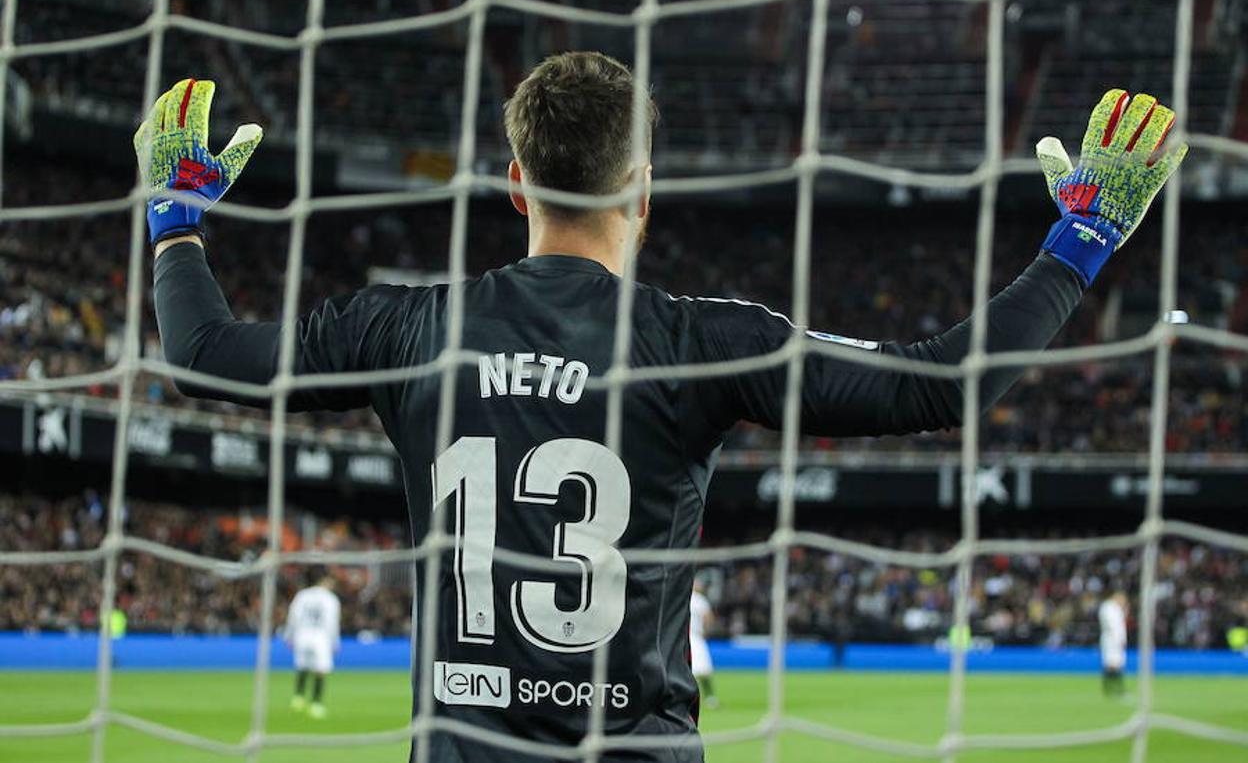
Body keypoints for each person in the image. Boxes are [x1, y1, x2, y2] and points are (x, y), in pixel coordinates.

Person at [139, 54, 1184, 762]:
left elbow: (203, 354)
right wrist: (1077, 246)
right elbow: (940, 382)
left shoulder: (409, 327)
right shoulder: (700, 339)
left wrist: (175, 224)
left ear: (515, 182)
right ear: (644, 188)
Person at [285, 576, 341, 719]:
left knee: (302, 666)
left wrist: (289, 636)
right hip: (321, 637)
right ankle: (316, 704)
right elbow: (332, 622)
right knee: (321, 669)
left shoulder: (303, 595)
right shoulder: (331, 599)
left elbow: (293, 616)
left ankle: (298, 699)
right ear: (326, 582)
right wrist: (335, 641)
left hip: (302, 634)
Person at [689, 579, 718, 709]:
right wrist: (706, 631)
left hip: (683, 637)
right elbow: (708, 618)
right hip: (696, 637)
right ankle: (710, 698)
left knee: (689, 670)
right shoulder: (700, 600)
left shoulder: (683, 597)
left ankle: (689, 698)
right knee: (704, 670)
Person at [1098, 591, 1128, 697]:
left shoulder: (1115, 608)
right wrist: (1118, 639)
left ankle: (1114, 688)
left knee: (1116, 664)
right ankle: (1112, 688)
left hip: (1115, 640)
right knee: (1112, 664)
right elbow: (1112, 625)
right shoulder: (1108, 607)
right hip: (1111, 640)